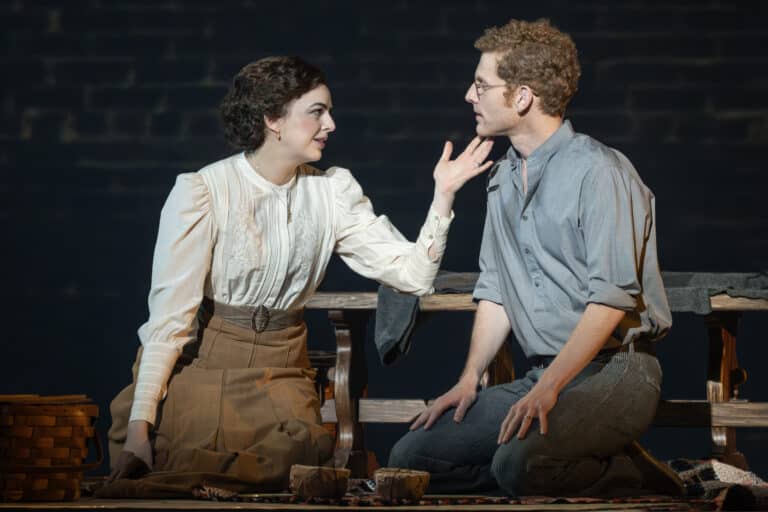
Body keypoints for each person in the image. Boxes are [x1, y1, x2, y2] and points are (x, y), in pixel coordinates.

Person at [106, 56, 494, 491]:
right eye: (317, 112)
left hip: (282, 370)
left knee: (287, 463)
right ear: (272, 119)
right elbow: (168, 321)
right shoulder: (205, 192)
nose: (330, 124)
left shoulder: (330, 192)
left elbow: (413, 277)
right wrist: (139, 427)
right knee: (186, 462)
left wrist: (444, 195)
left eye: (329, 112)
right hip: (208, 368)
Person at [388, 19, 681, 497]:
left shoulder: (599, 172)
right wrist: (469, 378)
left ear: (522, 97)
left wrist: (550, 388)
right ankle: (546, 467)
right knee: (413, 458)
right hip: (543, 372)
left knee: (520, 464)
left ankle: (637, 477)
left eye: (482, 85)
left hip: (617, 371)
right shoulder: (502, 180)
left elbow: (610, 301)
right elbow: (496, 291)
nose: (469, 95)